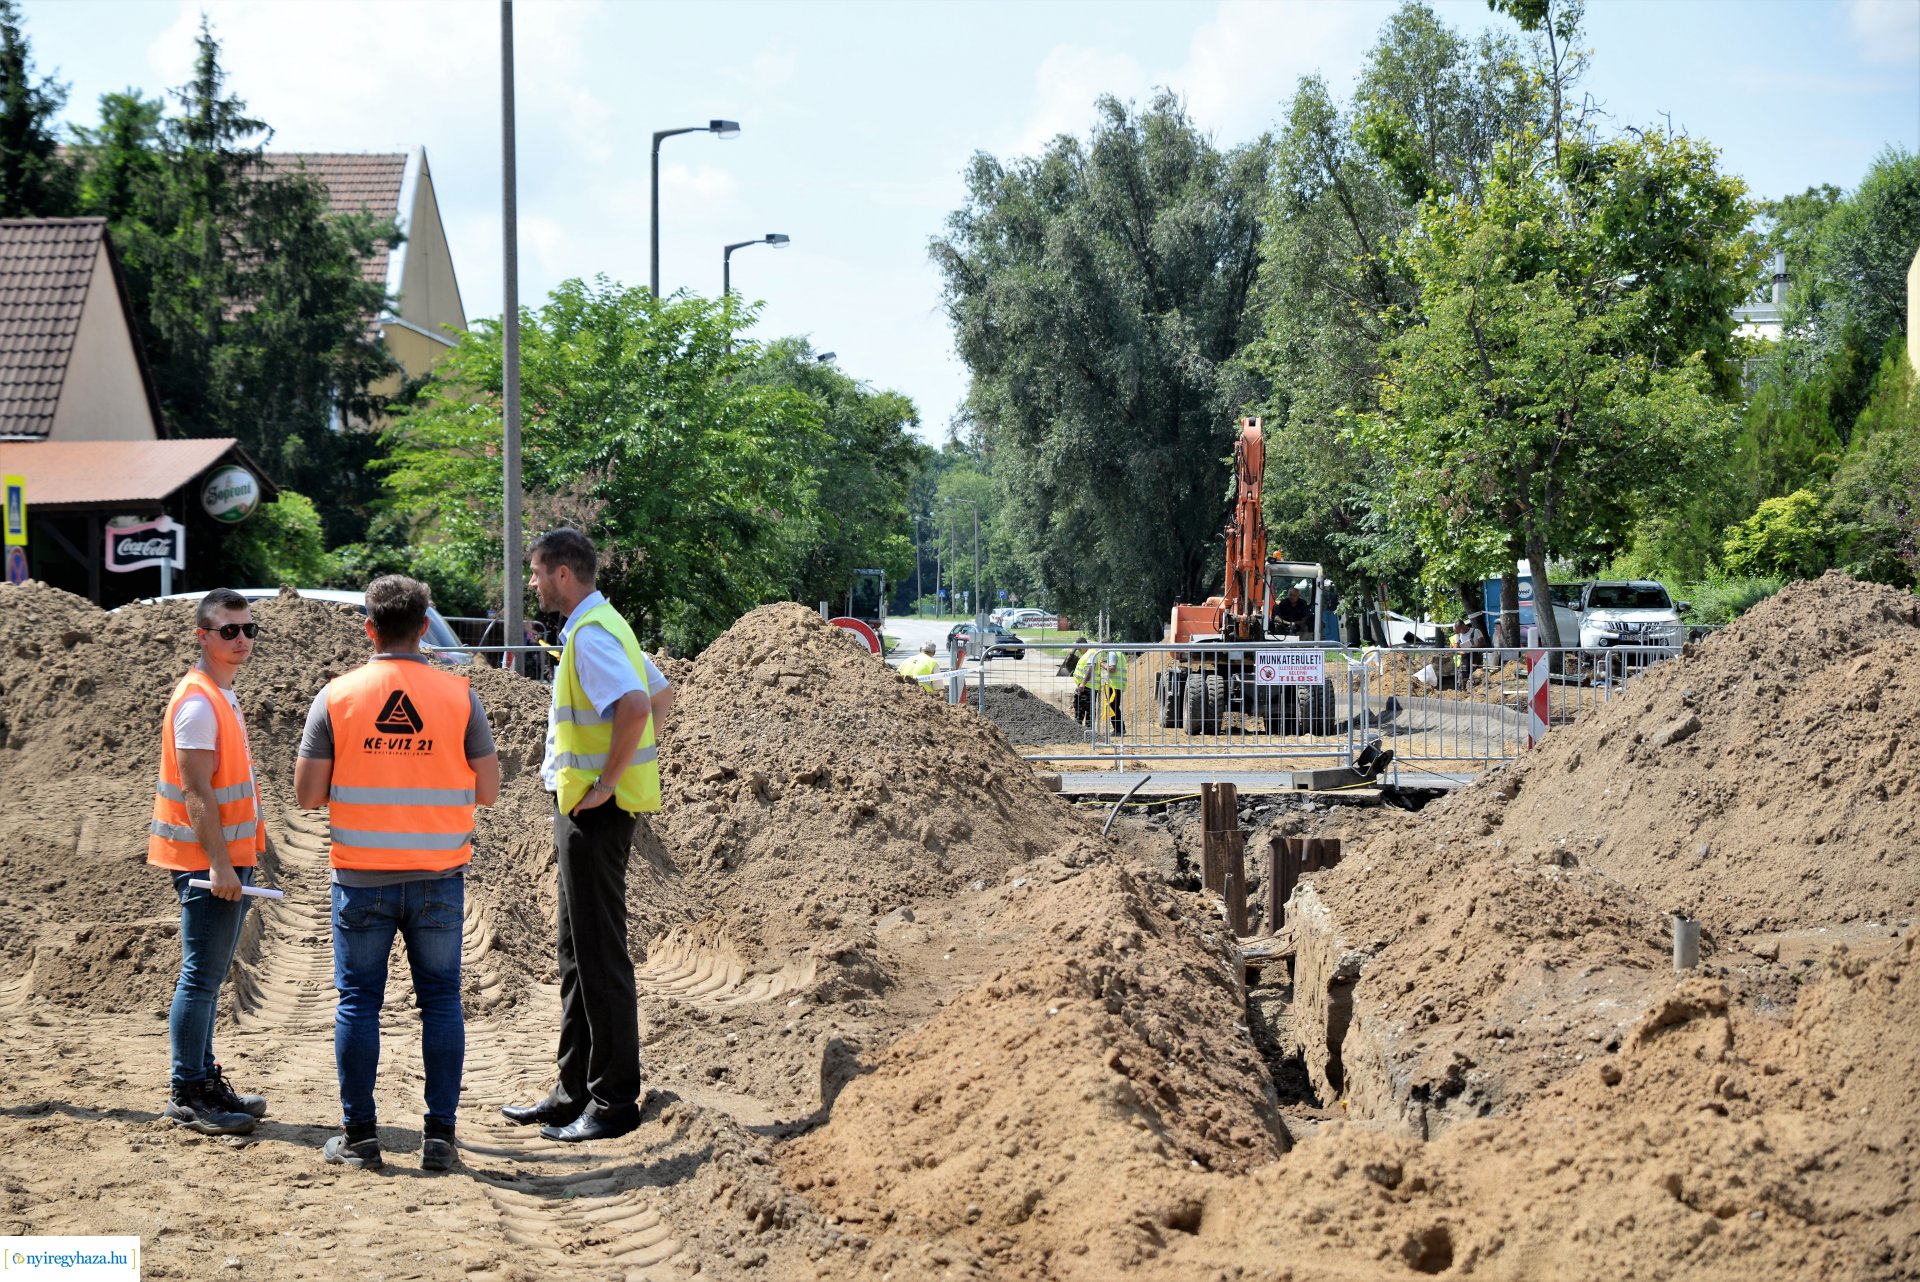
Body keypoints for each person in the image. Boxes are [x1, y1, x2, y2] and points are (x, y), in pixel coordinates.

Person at [294, 576, 501, 1171]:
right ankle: (439, 1140)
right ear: (424, 626)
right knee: (440, 1002)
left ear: (369, 628)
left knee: (358, 1001)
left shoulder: (336, 697)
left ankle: (360, 1138)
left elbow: (308, 794)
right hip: (438, 876)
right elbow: (487, 790)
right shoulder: (459, 696)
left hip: (361, 878)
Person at [503, 529, 673, 1143]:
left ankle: (613, 1101)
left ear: (564, 574)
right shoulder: (602, 625)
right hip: (590, 808)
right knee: (576, 950)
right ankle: (574, 1087)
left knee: (600, 955)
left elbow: (634, 705)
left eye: (539, 572)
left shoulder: (592, 635)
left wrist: (607, 780)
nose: (533, 582)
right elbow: (661, 693)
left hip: (594, 812)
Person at [149, 588, 269, 1137]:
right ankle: (188, 1090)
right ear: (203, 636)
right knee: (200, 977)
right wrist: (220, 867)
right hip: (206, 864)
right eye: (229, 630)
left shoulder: (220, 694)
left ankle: (203, 1077)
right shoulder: (198, 701)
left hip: (222, 859)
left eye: (248, 630)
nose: (241, 639)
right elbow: (197, 792)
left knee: (211, 975)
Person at [1073, 648, 1128, 734]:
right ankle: (1119, 729)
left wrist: (1102, 664)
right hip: (1117, 684)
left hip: (1113, 685)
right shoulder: (1119, 653)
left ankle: (1119, 729)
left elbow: (1112, 669)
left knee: (1113, 707)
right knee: (1113, 707)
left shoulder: (1111, 653)